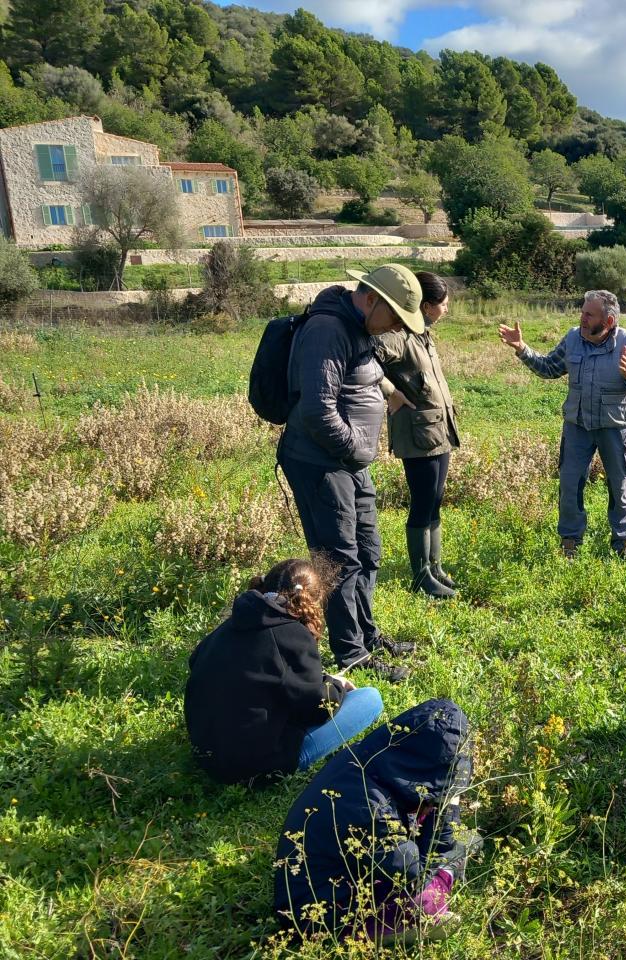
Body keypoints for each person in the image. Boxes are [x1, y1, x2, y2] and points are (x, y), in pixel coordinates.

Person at [277, 263, 425, 684]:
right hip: (321, 463)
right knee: (339, 559)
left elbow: (364, 383)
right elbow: (318, 410)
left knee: (368, 550)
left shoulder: (360, 327)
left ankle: (367, 634)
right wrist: (357, 446)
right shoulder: (329, 330)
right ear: (372, 299)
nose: (395, 326)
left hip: (349, 464)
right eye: (395, 316)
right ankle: (352, 654)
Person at [273, 698, 473, 944]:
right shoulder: (370, 808)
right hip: (319, 914)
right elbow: (415, 873)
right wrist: (447, 808)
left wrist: (439, 802)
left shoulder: (372, 760)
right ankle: (383, 930)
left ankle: (453, 856)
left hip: (336, 875)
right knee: (431, 897)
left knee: (450, 842)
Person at [184, 557, 384, 785]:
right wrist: (336, 685)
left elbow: (205, 664)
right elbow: (317, 709)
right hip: (254, 768)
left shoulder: (228, 626)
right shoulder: (292, 634)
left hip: (206, 754)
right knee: (370, 699)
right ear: (312, 601)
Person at [498, 290, 626, 560]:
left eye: (589, 314)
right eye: (582, 311)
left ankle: (623, 543)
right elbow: (548, 368)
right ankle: (570, 542)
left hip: (617, 426)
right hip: (578, 425)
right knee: (570, 484)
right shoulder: (572, 339)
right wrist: (522, 349)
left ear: (609, 321)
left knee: (620, 485)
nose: (582, 318)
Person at [375, 271, 461, 600]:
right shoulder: (400, 335)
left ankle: (434, 567)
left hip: (438, 430)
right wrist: (390, 392)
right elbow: (365, 357)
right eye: (444, 305)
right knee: (422, 504)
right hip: (418, 435)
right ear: (426, 306)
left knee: (435, 502)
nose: (446, 310)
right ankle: (420, 575)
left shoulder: (423, 334)